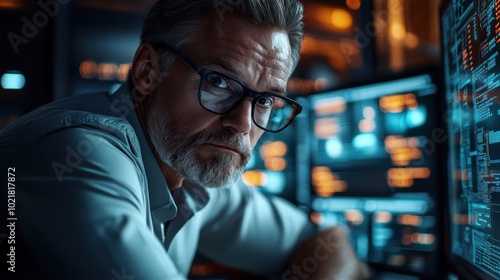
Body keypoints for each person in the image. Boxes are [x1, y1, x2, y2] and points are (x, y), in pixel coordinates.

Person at [0, 0, 370, 279]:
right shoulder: (80, 156)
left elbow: (327, 243)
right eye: (219, 82)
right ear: (147, 72)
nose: (242, 124)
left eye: (265, 100)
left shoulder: (191, 167)